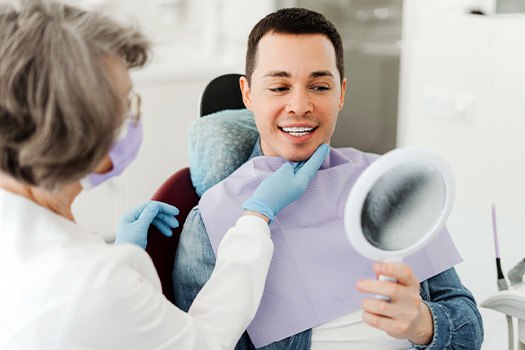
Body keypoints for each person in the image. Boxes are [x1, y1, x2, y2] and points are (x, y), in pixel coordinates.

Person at [0, 1, 330, 349]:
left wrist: (123, 253)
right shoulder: (95, 282)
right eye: (127, 106)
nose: (299, 105)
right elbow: (205, 342)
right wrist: (256, 216)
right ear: (78, 130)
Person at [173, 7, 484, 350]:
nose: (299, 104)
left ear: (341, 93)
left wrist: (423, 323)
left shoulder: (392, 187)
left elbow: (469, 330)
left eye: (319, 86)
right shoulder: (212, 223)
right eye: (279, 87)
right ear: (248, 94)